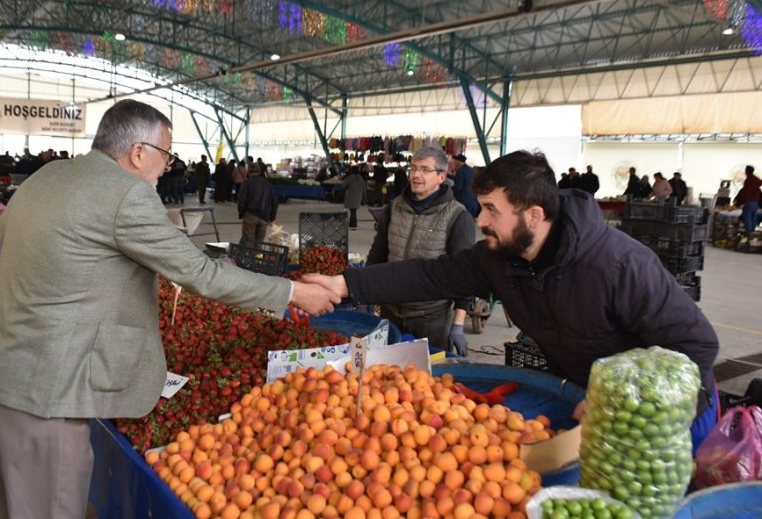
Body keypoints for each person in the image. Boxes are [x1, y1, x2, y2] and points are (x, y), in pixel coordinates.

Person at [0, 100, 338, 519]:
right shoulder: (125, 194)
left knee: (16, 507)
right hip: (48, 388)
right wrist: (291, 293)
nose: (166, 167)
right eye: (166, 155)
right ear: (138, 152)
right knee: (50, 507)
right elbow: (200, 275)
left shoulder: (50, 175)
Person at [303, 150, 720, 452]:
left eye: (490, 210)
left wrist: (625, 404)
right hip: (586, 401)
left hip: (670, 417)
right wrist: (345, 285)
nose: (480, 220)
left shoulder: (620, 265)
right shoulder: (500, 257)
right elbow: (430, 274)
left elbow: (696, 346)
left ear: (533, 216)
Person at [366, 148, 475, 354]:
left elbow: (465, 274)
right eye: (413, 168)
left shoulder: (457, 216)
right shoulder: (394, 208)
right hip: (390, 311)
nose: (416, 175)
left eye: (425, 170)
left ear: (441, 176)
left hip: (430, 318)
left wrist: (458, 325)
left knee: (426, 381)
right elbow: (378, 253)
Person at [237, 164, 278, 243]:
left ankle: (249, 255)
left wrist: (241, 213)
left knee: (248, 241)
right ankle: (257, 255)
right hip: (264, 216)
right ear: (259, 172)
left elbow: (241, 200)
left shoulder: (247, 183)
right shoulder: (267, 184)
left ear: (248, 172)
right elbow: (274, 202)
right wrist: (272, 217)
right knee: (259, 242)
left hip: (250, 215)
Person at [734, 165, 762, 234]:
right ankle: (752, 232)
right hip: (755, 203)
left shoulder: (748, 180)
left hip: (748, 202)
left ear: (746, 171)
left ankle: (749, 234)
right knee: (753, 217)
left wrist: (743, 203)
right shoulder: (756, 181)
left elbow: (747, 193)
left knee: (747, 217)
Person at [342, 165, 366, 229]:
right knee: (353, 210)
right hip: (358, 197)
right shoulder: (361, 178)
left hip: (351, 196)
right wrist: (364, 198)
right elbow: (364, 189)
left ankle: (353, 224)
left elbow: (343, 185)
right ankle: (352, 223)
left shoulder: (349, 178)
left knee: (353, 211)